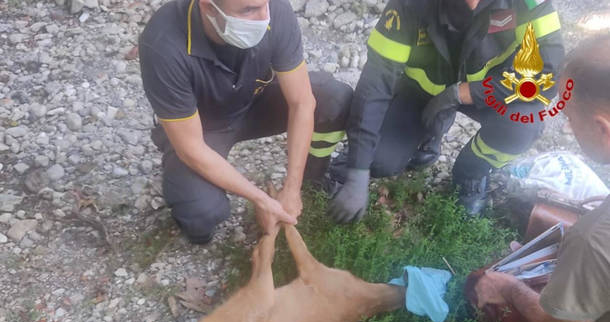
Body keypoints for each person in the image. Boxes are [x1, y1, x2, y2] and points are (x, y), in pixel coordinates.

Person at [474, 34, 610, 322]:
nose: (567, 127)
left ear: (602, 128)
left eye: (569, 118)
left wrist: (510, 287)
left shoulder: (598, 236)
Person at [329, 0, 564, 222]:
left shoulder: (528, 3)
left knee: (524, 124)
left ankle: (470, 174)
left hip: (489, 90)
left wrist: (463, 93)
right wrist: (357, 169)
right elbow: (376, 82)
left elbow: (548, 74)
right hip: (419, 91)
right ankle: (428, 133)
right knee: (379, 161)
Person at [139, 0, 353, 243]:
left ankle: (313, 178)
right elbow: (191, 149)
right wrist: (261, 199)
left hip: (253, 100)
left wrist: (291, 188)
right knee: (201, 213)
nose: (264, 18)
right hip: (203, 128)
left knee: (335, 98)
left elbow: (302, 103)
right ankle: (194, 210)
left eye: (265, 5)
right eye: (248, 10)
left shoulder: (273, 11)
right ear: (208, 7)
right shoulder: (163, 45)